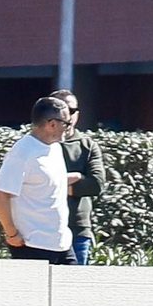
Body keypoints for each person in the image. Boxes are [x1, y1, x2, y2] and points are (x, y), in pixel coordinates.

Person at [0, 97, 75, 264]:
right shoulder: (22, 152)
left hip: (62, 244)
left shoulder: (55, 148)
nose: (68, 128)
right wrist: (11, 233)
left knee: (72, 290)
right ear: (52, 124)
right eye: (66, 123)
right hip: (32, 246)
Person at [49, 89, 106, 265]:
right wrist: (74, 178)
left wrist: (53, 185)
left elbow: (96, 185)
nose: (67, 115)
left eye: (71, 110)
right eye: (61, 109)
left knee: (74, 288)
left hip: (77, 230)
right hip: (42, 230)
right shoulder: (37, 144)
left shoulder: (87, 145)